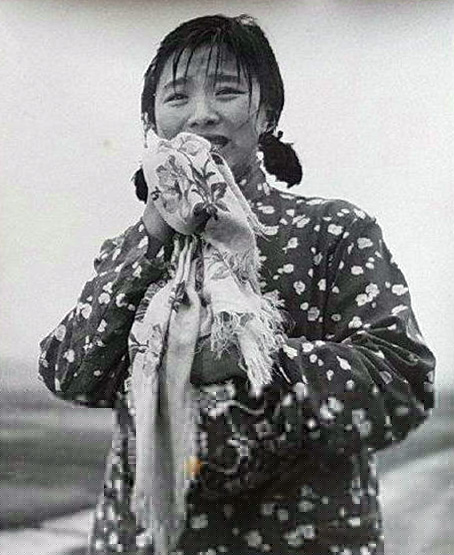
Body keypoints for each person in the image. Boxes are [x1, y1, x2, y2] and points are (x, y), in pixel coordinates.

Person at [38, 14, 435, 555]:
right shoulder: (135, 248)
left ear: (268, 113)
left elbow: (402, 383)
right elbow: (71, 374)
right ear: (152, 122)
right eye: (177, 97)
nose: (201, 114)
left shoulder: (333, 232)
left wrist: (249, 357)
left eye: (226, 91)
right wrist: (152, 235)